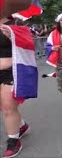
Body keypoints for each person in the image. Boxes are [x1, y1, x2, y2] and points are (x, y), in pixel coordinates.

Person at [0, 17, 37, 158]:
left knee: (8, 106)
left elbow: (29, 44)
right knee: (2, 106)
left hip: (13, 71)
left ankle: (14, 141)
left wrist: (13, 37)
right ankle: (21, 125)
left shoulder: (16, 23)